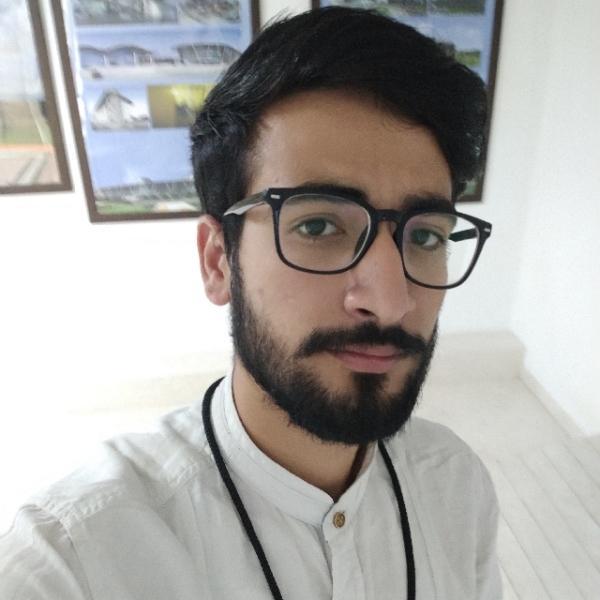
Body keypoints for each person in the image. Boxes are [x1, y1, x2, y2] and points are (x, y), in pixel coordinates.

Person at [0, 7, 501, 599]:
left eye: (425, 237)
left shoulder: (456, 488)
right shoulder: (74, 563)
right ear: (219, 261)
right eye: (319, 226)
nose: (391, 302)